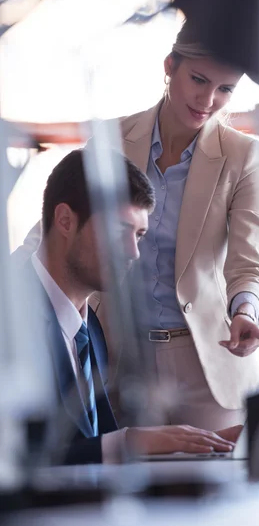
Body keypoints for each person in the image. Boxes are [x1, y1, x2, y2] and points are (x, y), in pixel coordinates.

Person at [14, 19, 259, 430]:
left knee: (213, 484)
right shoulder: (112, 140)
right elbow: (62, 221)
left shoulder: (242, 155)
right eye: (198, 79)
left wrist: (245, 309)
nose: (208, 99)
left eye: (225, 89)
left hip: (205, 360)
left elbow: (249, 262)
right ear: (169, 66)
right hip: (119, 353)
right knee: (118, 475)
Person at [18, 149, 237, 465]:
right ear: (65, 220)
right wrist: (128, 442)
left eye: (140, 235)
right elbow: (20, 459)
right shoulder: (11, 321)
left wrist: (200, 445)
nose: (134, 252)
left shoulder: (89, 327)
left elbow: (91, 445)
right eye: (121, 232)